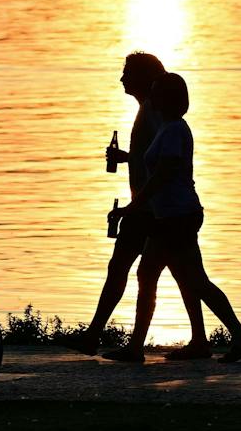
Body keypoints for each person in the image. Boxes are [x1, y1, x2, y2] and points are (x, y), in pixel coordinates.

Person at [103, 73, 241, 365]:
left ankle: (240, 337)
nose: (152, 97)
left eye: (157, 92)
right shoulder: (169, 127)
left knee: (193, 281)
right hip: (173, 216)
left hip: (176, 217)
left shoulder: (174, 130)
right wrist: (128, 160)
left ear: (168, 99)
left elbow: (165, 172)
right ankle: (145, 346)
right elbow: (154, 164)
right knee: (164, 276)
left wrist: (134, 206)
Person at [68, 52, 209, 358]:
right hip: (151, 206)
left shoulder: (154, 112)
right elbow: (155, 154)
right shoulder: (150, 110)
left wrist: (136, 204)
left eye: (128, 73)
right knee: (179, 273)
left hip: (149, 208)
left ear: (146, 78)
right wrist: (126, 158)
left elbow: (166, 162)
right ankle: (198, 339)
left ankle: (104, 339)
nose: (122, 78)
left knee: (127, 268)